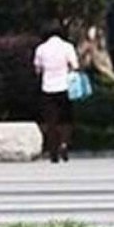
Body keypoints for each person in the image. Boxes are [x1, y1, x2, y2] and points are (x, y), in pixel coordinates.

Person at [34, 24, 79, 163]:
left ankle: (52, 150)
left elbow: (37, 68)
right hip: (65, 87)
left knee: (51, 121)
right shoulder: (67, 47)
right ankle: (64, 144)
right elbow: (75, 65)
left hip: (47, 88)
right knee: (66, 119)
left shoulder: (41, 48)